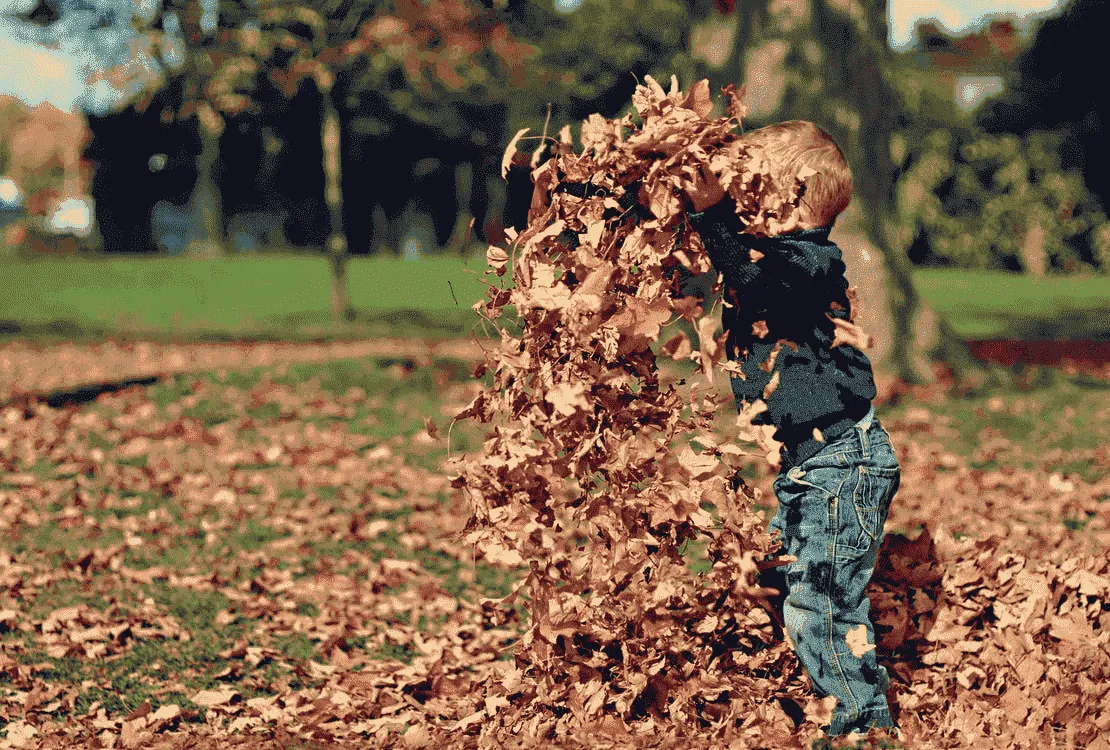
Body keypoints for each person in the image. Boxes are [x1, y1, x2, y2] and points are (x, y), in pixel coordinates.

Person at [681, 120, 902, 739]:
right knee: (785, 572)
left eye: (754, 190)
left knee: (825, 605)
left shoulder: (809, 262)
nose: (741, 202)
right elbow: (735, 267)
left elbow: (753, 280)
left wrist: (714, 214)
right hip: (812, 465)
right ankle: (806, 683)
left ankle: (862, 725)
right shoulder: (774, 257)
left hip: (841, 465)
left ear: (794, 193)